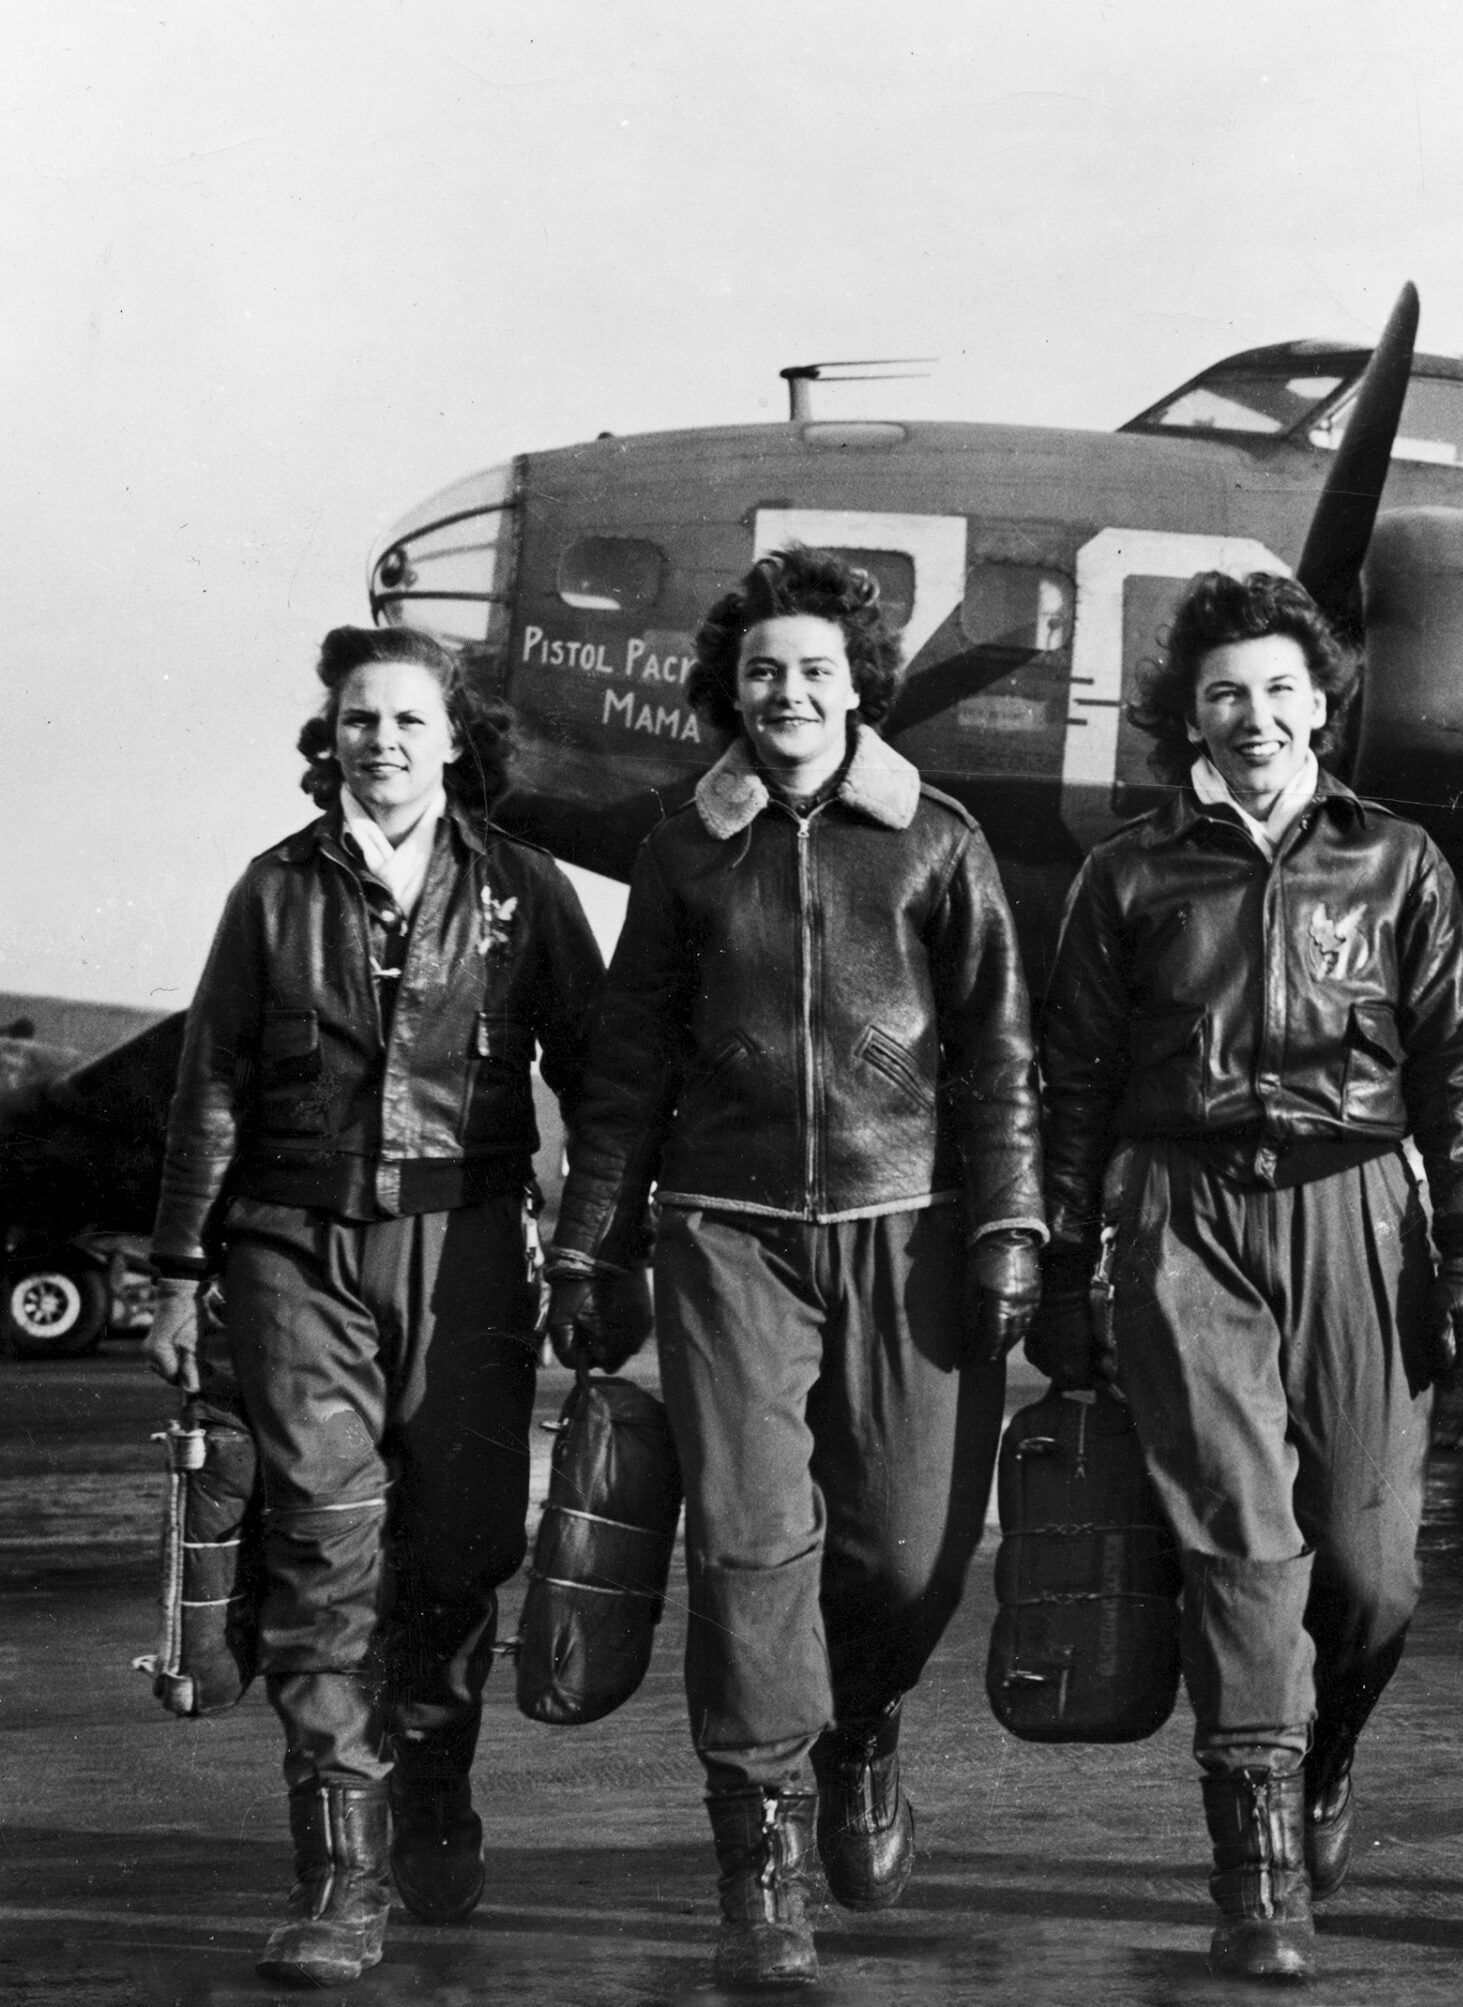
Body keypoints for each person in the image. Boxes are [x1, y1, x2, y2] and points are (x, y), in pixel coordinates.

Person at [544, 547, 1044, 1991]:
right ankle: (757, 1861)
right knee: (755, 1543)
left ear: (857, 685)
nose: (789, 691)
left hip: (912, 1222)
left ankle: (865, 1731)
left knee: (903, 1546)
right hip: (727, 1228)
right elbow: (628, 1067)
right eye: (763, 670)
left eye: (816, 668)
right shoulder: (682, 850)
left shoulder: (941, 840)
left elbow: (1001, 1058)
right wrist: (590, 1240)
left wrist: (1010, 1225)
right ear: (732, 691)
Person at [146, 625, 636, 1988]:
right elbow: (213, 1086)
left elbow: (598, 1083)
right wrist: (182, 1269)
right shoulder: (272, 892)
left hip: (472, 1246)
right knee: (322, 1548)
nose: (382, 743)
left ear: (456, 739)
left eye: (409, 722)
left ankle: (433, 1781)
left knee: (465, 1546)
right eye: (359, 721)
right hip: (293, 1251)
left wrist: (597, 1250)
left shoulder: (525, 891)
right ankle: (342, 1875)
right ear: (332, 740)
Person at [1037, 569, 1463, 1982]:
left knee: (1369, 1575)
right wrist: (1067, 1262)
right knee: (1244, 1548)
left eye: (1280, 688)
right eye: (1225, 691)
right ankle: (1257, 1872)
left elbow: (1456, 1073)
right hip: (1184, 1217)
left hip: (1359, 1209)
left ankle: (1321, 1753)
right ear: (1189, 710)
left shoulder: (1399, 863)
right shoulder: (1126, 874)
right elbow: (1072, 1084)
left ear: (1322, 702)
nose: (1254, 714)